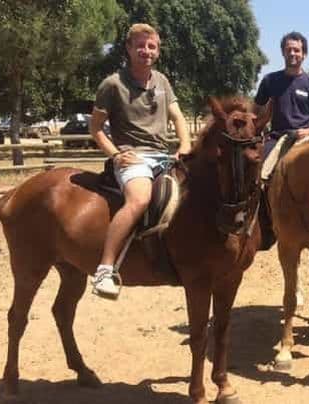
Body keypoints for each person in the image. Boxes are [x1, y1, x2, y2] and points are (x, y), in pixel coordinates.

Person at [89, 23, 191, 299]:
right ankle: (105, 269)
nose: (146, 51)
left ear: (158, 50)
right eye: (140, 46)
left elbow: (178, 117)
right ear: (129, 48)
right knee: (140, 199)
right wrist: (115, 154)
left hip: (164, 156)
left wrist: (184, 145)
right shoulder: (112, 84)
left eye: (151, 46)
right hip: (134, 157)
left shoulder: (162, 81)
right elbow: (95, 128)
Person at [254, 31, 309, 176]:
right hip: (277, 139)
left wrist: (308, 131)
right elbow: (255, 111)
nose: (292, 53)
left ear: (304, 54)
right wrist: (260, 129)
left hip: (306, 138)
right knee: (261, 172)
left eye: (296, 50)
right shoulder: (270, 80)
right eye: (288, 50)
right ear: (283, 53)